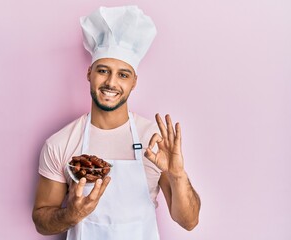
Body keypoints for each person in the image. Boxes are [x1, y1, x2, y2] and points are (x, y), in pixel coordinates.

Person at [32, 5, 200, 240]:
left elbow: (189, 221)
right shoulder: (61, 143)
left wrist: (178, 175)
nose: (111, 82)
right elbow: (41, 220)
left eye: (123, 74)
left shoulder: (155, 141)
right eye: (103, 70)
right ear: (89, 73)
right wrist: (70, 215)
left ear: (134, 82)